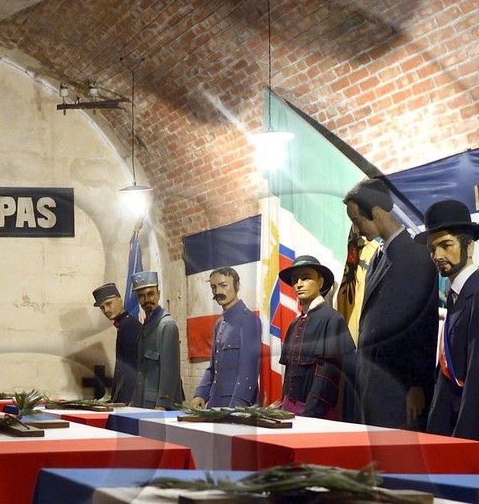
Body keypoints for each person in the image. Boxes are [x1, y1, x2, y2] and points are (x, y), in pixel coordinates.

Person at [418, 200, 479, 467]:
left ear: (469, 245)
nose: (437, 255)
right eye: (432, 248)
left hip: (474, 439)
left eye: (446, 245)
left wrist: (460, 447)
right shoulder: (458, 297)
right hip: (450, 432)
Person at [343, 178, 439, 429]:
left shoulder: (415, 256)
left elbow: (423, 324)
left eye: (356, 220)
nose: (356, 230)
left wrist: (417, 383)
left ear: (375, 212)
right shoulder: (378, 256)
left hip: (400, 388)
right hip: (372, 383)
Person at [276, 255, 355, 418]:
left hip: (316, 413)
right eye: (295, 280)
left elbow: (328, 376)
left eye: (305, 278)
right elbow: (289, 371)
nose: (299, 284)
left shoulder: (332, 319)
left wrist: (310, 415)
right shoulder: (295, 324)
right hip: (288, 409)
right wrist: (283, 406)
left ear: (320, 282)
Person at [188, 267, 263, 408]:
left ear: (237, 286)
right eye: (213, 287)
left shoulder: (248, 321)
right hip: (216, 403)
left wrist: (237, 406)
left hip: (237, 405)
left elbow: (249, 372)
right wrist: (200, 394)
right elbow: (212, 368)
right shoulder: (219, 324)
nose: (217, 292)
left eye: (223, 285)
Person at [130, 270, 183, 408]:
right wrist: (134, 399)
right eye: (141, 296)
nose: (147, 300)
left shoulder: (167, 326)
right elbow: (142, 369)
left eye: (151, 294)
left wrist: (163, 403)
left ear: (158, 294)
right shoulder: (146, 326)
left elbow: (170, 371)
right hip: (143, 403)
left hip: (158, 406)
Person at [92, 281, 141, 403]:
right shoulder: (124, 324)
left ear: (120, 300)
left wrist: (132, 398)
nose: (106, 310)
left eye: (109, 304)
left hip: (129, 396)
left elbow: (132, 368)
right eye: (102, 307)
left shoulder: (128, 326)